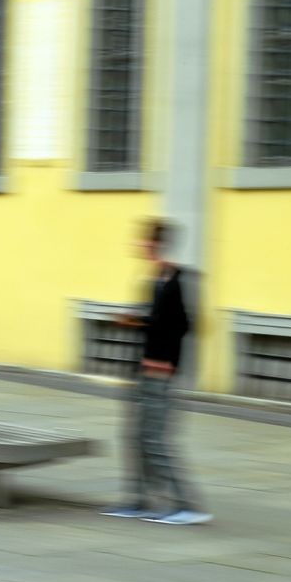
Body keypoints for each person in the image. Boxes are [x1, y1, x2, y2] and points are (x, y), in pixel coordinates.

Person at [101, 219, 212, 525]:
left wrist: (166, 361)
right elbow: (157, 319)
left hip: (160, 371)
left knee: (155, 440)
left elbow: (184, 326)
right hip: (143, 368)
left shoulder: (179, 280)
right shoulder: (156, 279)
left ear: (156, 245)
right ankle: (137, 500)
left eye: (145, 242)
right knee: (133, 437)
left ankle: (185, 505)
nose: (140, 246)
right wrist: (135, 319)